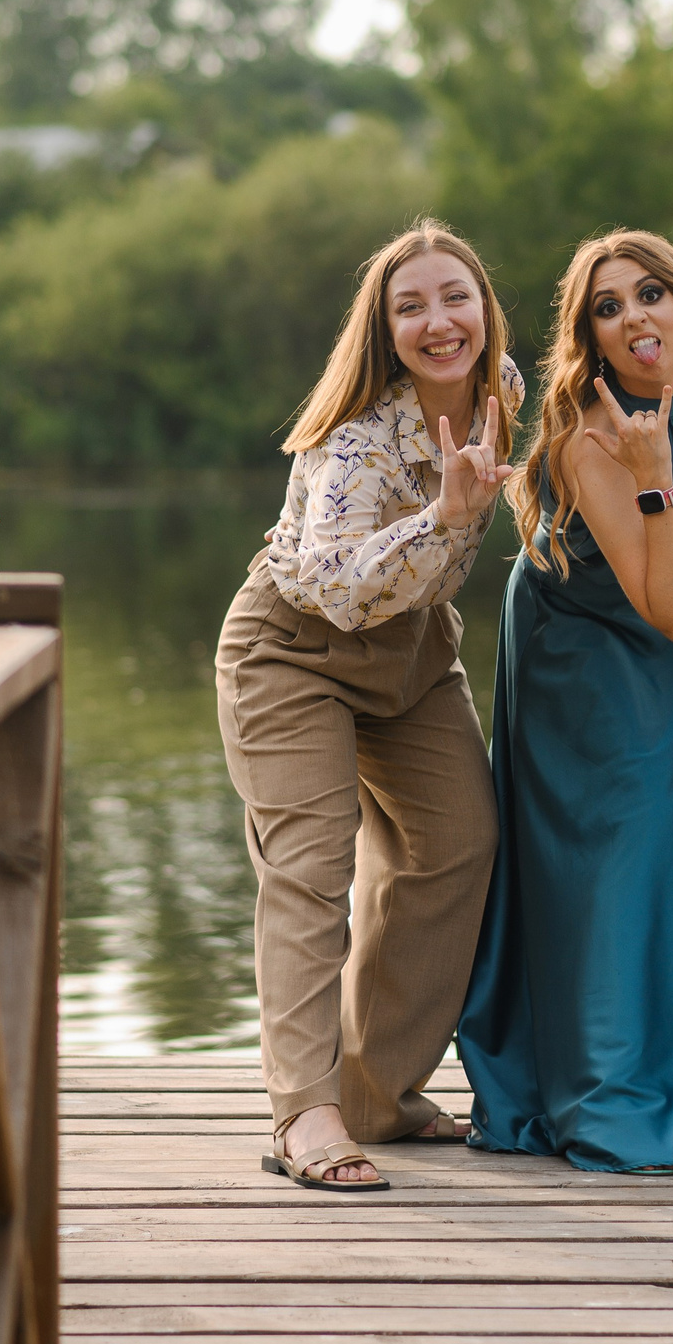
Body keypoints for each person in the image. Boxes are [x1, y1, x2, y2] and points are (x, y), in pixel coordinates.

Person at [458, 231, 673, 1173]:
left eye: (650, 294)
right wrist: (650, 478)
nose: (636, 317)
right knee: (624, 848)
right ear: (590, 339)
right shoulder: (593, 441)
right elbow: (671, 612)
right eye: (608, 307)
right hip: (589, 642)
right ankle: (613, 1088)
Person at [214, 219, 522, 1193]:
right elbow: (336, 588)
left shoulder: (504, 394)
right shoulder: (355, 442)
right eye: (411, 306)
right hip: (294, 650)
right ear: (386, 331)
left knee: (461, 839)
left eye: (455, 297)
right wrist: (443, 516)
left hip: (414, 654)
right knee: (313, 866)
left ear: (485, 309)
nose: (439, 321)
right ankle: (303, 1111)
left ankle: (376, 1091)